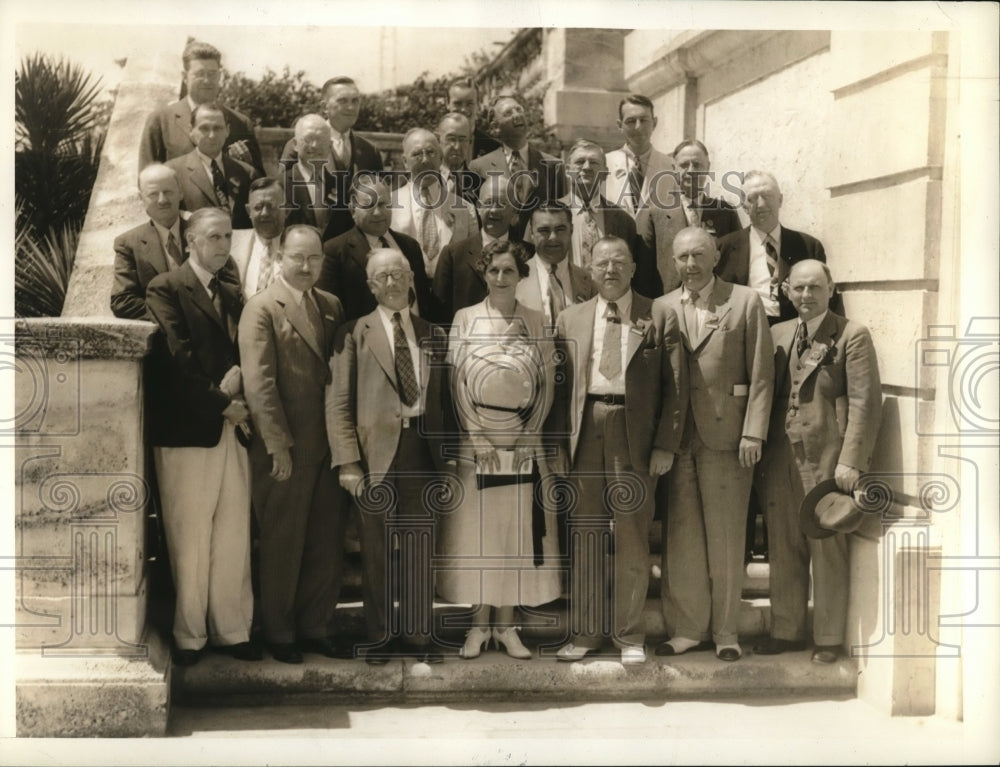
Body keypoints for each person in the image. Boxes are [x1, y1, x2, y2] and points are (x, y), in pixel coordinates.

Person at [547, 236, 685, 664]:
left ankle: (629, 635)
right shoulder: (570, 319)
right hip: (585, 427)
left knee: (631, 532)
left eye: (619, 262)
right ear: (588, 270)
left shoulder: (660, 314)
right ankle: (585, 634)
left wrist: (665, 445)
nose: (610, 270)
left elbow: (675, 389)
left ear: (633, 269)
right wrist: (556, 444)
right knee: (585, 532)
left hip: (634, 431)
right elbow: (558, 387)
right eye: (602, 262)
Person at [436, 240, 561, 660]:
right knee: (480, 534)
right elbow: (456, 386)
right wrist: (476, 436)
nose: (502, 278)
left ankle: (506, 626)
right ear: (484, 275)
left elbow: (545, 385)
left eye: (510, 271)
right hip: (480, 443)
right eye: (494, 271)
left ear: (521, 275)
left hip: (522, 439)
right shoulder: (465, 318)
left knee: (515, 532)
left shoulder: (537, 319)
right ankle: (478, 626)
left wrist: (531, 435)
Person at [654, 226, 774, 662]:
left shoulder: (744, 301)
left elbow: (762, 373)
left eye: (698, 255)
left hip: (729, 436)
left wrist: (754, 430)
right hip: (679, 437)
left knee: (726, 536)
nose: (690, 264)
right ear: (673, 261)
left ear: (715, 258)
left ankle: (726, 632)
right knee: (683, 537)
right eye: (682, 256)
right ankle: (686, 628)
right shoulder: (662, 306)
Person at [753, 260, 882, 664]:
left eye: (814, 288)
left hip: (826, 461)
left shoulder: (851, 335)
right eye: (798, 289)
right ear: (786, 291)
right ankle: (787, 629)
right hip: (779, 460)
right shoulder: (776, 334)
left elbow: (865, 402)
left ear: (830, 289)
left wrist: (851, 461)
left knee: (826, 544)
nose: (806, 296)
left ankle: (827, 637)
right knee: (783, 544)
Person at [326, 249, 451, 665]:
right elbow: (339, 403)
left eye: (399, 274)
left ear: (412, 277)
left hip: (422, 452)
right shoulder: (353, 333)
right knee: (376, 550)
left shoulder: (433, 333)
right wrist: (347, 461)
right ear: (370, 286)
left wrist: (449, 458)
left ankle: (417, 635)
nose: (393, 283)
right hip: (373, 456)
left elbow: (446, 401)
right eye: (383, 277)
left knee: (420, 546)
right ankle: (379, 635)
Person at [145, 207, 257, 666]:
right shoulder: (166, 287)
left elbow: (253, 349)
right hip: (190, 430)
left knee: (232, 531)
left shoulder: (234, 293)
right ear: (190, 240)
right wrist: (222, 401)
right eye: (213, 237)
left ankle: (232, 629)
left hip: (234, 429)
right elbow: (176, 357)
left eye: (228, 236)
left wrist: (241, 394)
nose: (222, 245)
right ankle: (190, 635)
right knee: (189, 535)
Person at [237, 225, 348, 664]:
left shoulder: (331, 305)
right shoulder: (261, 308)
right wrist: (277, 445)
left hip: (328, 447)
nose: (306, 267)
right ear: (280, 257)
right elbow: (259, 383)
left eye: (314, 259)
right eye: (297, 258)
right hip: (285, 447)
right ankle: (279, 631)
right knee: (283, 540)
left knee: (325, 539)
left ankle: (315, 626)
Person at [715, 170, 835, 325]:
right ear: (744, 206)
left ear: (780, 200)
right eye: (753, 198)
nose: (761, 204)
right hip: (743, 333)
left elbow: (829, 298)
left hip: (795, 334)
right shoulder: (724, 248)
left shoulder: (809, 247)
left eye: (768, 196)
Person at [320, 174, 435, 322]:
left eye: (382, 204)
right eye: (368, 206)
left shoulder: (410, 246)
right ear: (352, 210)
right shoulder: (334, 252)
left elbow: (423, 301)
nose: (378, 213)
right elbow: (331, 313)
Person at [138, 40, 264, 176]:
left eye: (212, 74)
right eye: (199, 74)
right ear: (184, 77)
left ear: (219, 76)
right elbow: (147, 180)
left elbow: (260, 184)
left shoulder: (240, 123)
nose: (206, 80)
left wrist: (246, 164)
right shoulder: (161, 121)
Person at [556, 139, 661, 297]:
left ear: (605, 173)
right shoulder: (549, 214)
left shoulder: (624, 221)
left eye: (593, 162)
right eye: (580, 162)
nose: (586, 167)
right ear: (567, 170)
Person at [470, 95, 564, 241]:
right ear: (495, 127)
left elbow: (561, 216)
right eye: (508, 113)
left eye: (519, 110)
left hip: (539, 251)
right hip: (497, 250)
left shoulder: (553, 166)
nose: (517, 115)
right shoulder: (479, 167)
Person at [432, 174, 522, 324]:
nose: (493, 210)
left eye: (502, 204)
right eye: (488, 203)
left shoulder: (529, 254)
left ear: (514, 211)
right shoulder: (453, 256)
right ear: (478, 207)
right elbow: (438, 317)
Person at [391, 128, 478, 280]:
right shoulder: (389, 205)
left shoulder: (465, 209)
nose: (425, 160)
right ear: (405, 161)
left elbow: (473, 261)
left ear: (440, 158)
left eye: (431, 152)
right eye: (417, 154)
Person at [111, 164, 189, 319]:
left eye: (168, 191)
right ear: (142, 199)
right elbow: (122, 301)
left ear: (180, 192)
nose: (162, 200)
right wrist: (173, 315)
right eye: (153, 194)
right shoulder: (128, 244)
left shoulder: (203, 232)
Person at [165, 102, 256, 229]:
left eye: (218, 128)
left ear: (227, 131)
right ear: (191, 131)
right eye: (204, 128)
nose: (212, 135)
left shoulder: (246, 172)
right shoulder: (172, 171)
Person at [516, 201, 595, 327]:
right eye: (544, 230)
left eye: (560, 229)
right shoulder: (514, 280)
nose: (553, 237)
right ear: (531, 233)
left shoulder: (588, 282)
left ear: (571, 230)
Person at [604, 94, 675, 217]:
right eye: (631, 121)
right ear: (620, 125)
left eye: (644, 120)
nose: (638, 127)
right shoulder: (605, 163)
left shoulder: (671, 166)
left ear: (655, 123)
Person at [281, 114, 349, 241]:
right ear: (295, 144)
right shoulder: (281, 185)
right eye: (308, 139)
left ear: (329, 147)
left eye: (321, 139)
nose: (315, 145)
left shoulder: (341, 185)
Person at [671, 139, 742, 239]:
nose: (691, 171)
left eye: (697, 165)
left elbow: (738, 252)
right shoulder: (657, 214)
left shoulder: (726, 212)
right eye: (684, 165)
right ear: (674, 169)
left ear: (708, 167)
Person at [229, 177, 285, 299]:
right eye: (258, 207)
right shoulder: (230, 242)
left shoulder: (300, 245)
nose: (264, 213)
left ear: (287, 210)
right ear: (248, 210)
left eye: (271, 206)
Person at [447, 76, 501, 160]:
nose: (463, 109)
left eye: (469, 104)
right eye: (457, 103)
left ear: (478, 105)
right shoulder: (434, 146)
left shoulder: (494, 148)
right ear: (447, 103)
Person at [436, 112, 483, 208]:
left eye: (462, 140)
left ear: (470, 141)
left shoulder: (480, 186)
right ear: (437, 140)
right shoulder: (424, 180)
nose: (457, 147)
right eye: (451, 139)